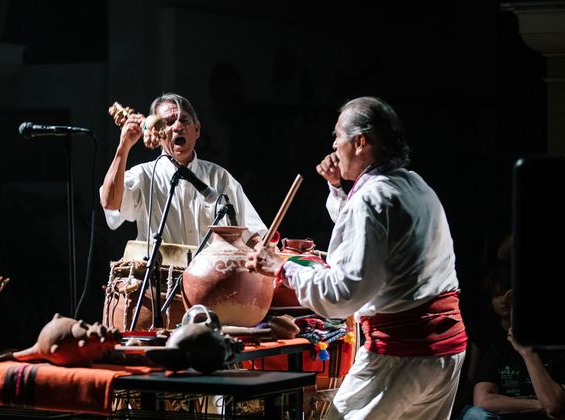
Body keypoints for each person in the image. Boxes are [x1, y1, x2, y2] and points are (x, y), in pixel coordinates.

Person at [246, 96, 467, 419]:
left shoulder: (372, 198)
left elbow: (341, 296)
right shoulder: (415, 186)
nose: (334, 145)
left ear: (360, 141)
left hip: (402, 354)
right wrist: (337, 186)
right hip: (446, 351)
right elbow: (371, 237)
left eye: (338, 136)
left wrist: (282, 266)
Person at [100, 92, 267, 248]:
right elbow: (110, 202)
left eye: (184, 120)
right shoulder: (144, 175)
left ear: (197, 130)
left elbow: (252, 234)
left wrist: (269, 258)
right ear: (158, 134)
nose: (178, 126)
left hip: (209, 276)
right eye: (169, 122)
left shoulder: (219, 177)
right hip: (159, 277)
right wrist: (124, 146)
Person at [456, 247, 565, 420]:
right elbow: (483, 399)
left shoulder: (557, 351)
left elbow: (555, 406)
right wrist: (539, 404)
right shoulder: (497, 348)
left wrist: (528, 353)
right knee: (475, 415)